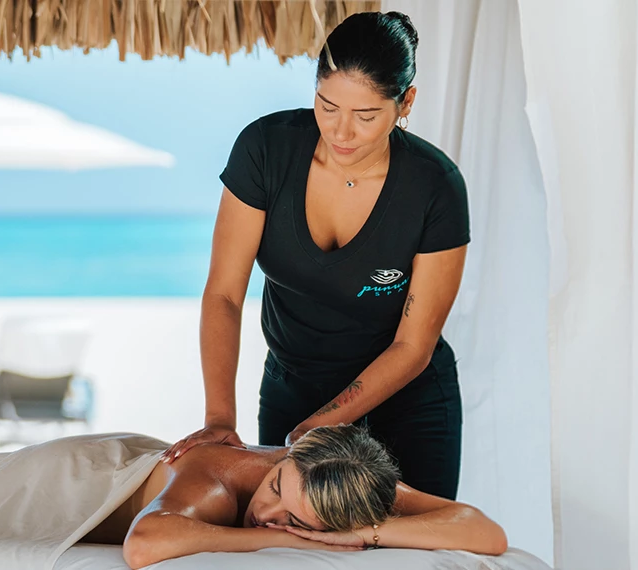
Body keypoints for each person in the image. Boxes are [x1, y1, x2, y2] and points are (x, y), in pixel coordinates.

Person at [166, 11, 473, 499]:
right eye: (327, 106)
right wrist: (220, 417)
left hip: (406, 401)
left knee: (406, 550)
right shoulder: (266, 151)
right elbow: (224, 293)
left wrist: (315, 428)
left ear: (406, 101)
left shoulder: (435, 188)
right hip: (293, 387)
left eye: (366, 115)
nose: (341, 132)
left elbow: (412, 346)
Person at [86, 425, 506, 568]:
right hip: (74, 476)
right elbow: (143, 546)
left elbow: (485, 532)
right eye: (275, 486)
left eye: (297, 520)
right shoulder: (217, 481)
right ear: (288, 454)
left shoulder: (350, 481)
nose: (266, 512)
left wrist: (365, 534)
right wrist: (288, 537)